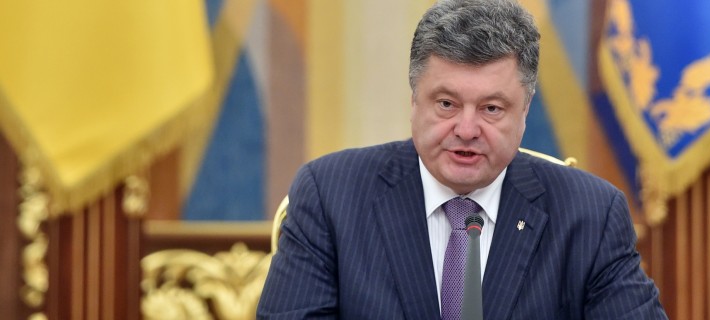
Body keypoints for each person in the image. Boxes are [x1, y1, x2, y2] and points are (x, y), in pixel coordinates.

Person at [257, 0, 667, 318]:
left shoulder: (589, 215)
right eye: (447, 103)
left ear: (524, 111)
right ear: (414, 100)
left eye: (492, 109)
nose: (467, 129)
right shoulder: (332, 196)